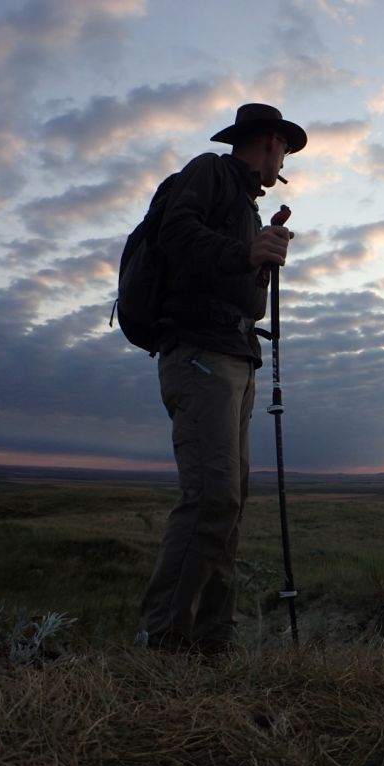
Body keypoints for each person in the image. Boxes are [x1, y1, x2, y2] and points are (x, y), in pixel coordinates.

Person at [137, 103, 307, 654]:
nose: (283, 161)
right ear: (270, 143)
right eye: (284, 149)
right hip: (201, 355)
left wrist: (257, 259)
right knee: (211, 497)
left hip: (234, 357)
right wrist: (245, 251)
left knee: (228, 502)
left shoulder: (248, 209)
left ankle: (213, 640)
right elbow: (175, 233)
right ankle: (161, 641)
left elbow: (234, 279)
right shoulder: (208, 172)